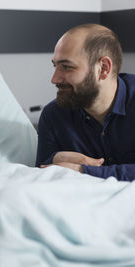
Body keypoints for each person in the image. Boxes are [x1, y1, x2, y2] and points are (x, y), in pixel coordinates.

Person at [36, 23, 135, 181]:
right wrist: (54, 159)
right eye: (55, 66)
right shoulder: (53, 116)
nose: (54, 79)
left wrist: (83, 171)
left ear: (103, 68)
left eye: (67, 67)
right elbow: (40, 174)